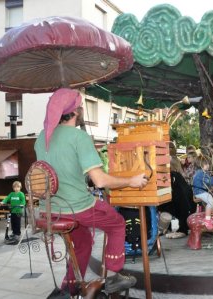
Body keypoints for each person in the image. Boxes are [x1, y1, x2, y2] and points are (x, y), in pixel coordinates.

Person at [34, 88, 148, 295]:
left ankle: (69, 287)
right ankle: (113, 276)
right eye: (81, 105)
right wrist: (131, 180)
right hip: (76, 207)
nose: (82, 109)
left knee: (84, 241)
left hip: (50, 209)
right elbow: (100, 180)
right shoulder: (78, 137)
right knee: (117, 223)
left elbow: (58, 170)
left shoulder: (42, 137)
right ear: (76, 110)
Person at [192, 155, 213, 230]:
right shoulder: (201, 173)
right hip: (200, 192)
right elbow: (209, 181)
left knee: (210, 200)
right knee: (211, 201)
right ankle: (207, 220)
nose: (208, 166)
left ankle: (208, 214)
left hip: (199, 191)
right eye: (206, 164)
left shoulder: (199, 172)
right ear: (201, 164)